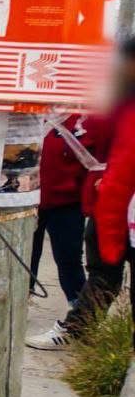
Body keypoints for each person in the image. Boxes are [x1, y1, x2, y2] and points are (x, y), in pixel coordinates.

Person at [28, 37, 135, 350]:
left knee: (78, 263)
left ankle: (79, 326)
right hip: (101, 205)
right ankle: (77, 328)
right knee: (103, 272)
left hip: (92, 203)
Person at [29, 114, 91, 305]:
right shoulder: (30, 111)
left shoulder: (83, 118)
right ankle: (15, 309)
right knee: (23, 257)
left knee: (68, 259)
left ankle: (81, 318)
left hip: (67, 201)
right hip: (26, 199)